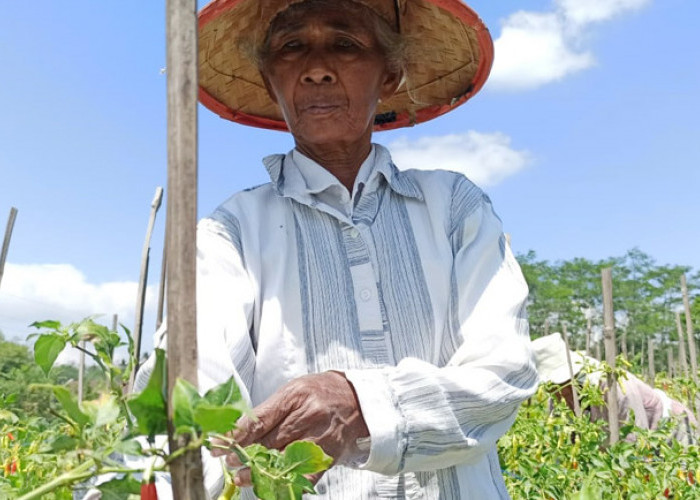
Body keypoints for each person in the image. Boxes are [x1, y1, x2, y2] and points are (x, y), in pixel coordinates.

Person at [138, 0, 538, 497]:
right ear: (270, 80)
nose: (317, 70)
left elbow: (503, 374)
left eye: (345, 45)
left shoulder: (453, 208)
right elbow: (193, 382)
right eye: (291, 47)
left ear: (389, 75)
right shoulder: (232, 232)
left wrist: (361, 404)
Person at [531, 332, 698, 445]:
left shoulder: (615, 389)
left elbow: (635, 443)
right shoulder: (558, 399)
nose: (553, 393)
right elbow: (569, 441)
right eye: (549, 388)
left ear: (572, 379)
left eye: (557, 386)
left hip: (674, 427)